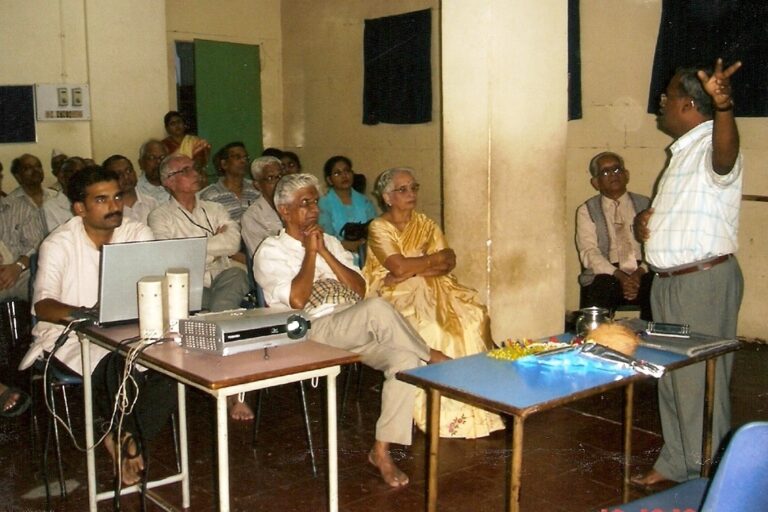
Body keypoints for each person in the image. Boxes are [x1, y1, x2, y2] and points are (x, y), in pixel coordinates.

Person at [253, 173, 449, 488]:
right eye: (305, 203)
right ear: (284, 211)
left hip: (353, 322)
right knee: (378, 309)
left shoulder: (330, 241)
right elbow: (297, 300)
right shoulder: (270, 250)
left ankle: (381, 451)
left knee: (405, 361)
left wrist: (325, 252)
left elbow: (359, 289)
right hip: (312, 329)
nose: (314, 209)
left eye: (315, 202)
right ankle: (433, 356)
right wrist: (310, 253)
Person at [18, 167, 175, 486]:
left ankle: (127, 438)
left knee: (174, 366)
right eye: (101, 200)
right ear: (80, 208)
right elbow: (43, 306)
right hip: (71, 333)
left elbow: (153, 286)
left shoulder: (137, 232)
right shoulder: (59, 243)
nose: (114, 206)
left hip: (130, 329)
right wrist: (86, 314)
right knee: (118, 363)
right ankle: (126, 439)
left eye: (117, 197)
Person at [632, 59, 744, 488]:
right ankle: (676, 461)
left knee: (702, 382)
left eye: (668, 97)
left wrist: (724, 106)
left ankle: (710, 476)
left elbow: (725, 157)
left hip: (701, 284)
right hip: (667, 284)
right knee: (672, 376)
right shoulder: (681, 154)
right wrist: (646, 224)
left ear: (689, 105)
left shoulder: (714, 144)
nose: (661, 103)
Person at [363, 167, 504, 438]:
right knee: (434, 327)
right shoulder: (379, 227)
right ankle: (443, 413)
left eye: (413, 187)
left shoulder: (425, 223)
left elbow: (449, 260)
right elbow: (397, 267)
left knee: (472, 318)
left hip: (436, 285)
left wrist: (416, 267)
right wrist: (427, 263)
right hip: (395, 293)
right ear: (387, 197)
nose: (411, 194)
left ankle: (479, 407)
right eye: (402, 189)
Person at [148, 155, 251, 420]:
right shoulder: (160, 216)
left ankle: (217, 369)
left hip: (224, 274)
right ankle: (232, 390)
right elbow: (171, 256)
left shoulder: (214, 208)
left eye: (194, 168)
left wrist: (193, 248)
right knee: (225, 314)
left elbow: (233, 243)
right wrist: (214, 244)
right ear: (169, 182)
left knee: (235, 280)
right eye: (186, 170)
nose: (195, 173)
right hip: (190, 285)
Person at [576, 152, 653, 320]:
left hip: (643, 269)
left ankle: (652, 334)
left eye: (617, 169)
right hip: (608, 272)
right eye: (605, 172)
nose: (613, 175)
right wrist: (620, 275)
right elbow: (589, 252)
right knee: (601, 287)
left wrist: (639, 272)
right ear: (595, 183)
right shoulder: (586, 210)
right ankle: (598, 334)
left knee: (657, 286)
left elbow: (657, 245)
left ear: (626, 175)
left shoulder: (646, 204)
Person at [318, 156, 377, 260]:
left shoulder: (365, 201)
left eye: (347, 171)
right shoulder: (323, 203)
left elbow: (375, 228)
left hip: (367, 253)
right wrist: (347, 245)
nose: (344, 176)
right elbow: (326, 237)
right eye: (337, 173)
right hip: (336, 256)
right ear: (329, 180)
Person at [0, 194, 45, 301]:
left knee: (44, 290)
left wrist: (18, 266)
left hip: (24, 271)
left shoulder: (21, 206)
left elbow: (38, 246)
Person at [200, 142, 260, 222]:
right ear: (224, 164)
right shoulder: (210, 196)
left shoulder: (256, 190)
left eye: (246, 158)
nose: (243, 161)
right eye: (237, 157)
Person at [241, 156, 284, 257]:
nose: (278, 183)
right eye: (270, 178)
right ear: (258, 185)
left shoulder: (295, 205)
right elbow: (261, 256)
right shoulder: (252, 217)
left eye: (280, 176)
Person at [102, 155, 158, 225]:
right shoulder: (109, 209)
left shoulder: (152, 203)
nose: (126, 177)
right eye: (119, 174)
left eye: (128, 171)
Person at [43, 156, 85, 233]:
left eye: (82, 173)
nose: (79, 177)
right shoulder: (50, 207)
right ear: (62, 178)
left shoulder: (90, 202)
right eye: (73, 173)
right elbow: (56, 236)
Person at [136, 139, 170, 204]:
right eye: (152, 158)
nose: (158, 162)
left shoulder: (176, 184)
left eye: (162, 157)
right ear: (141, 163)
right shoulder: (136, 190)